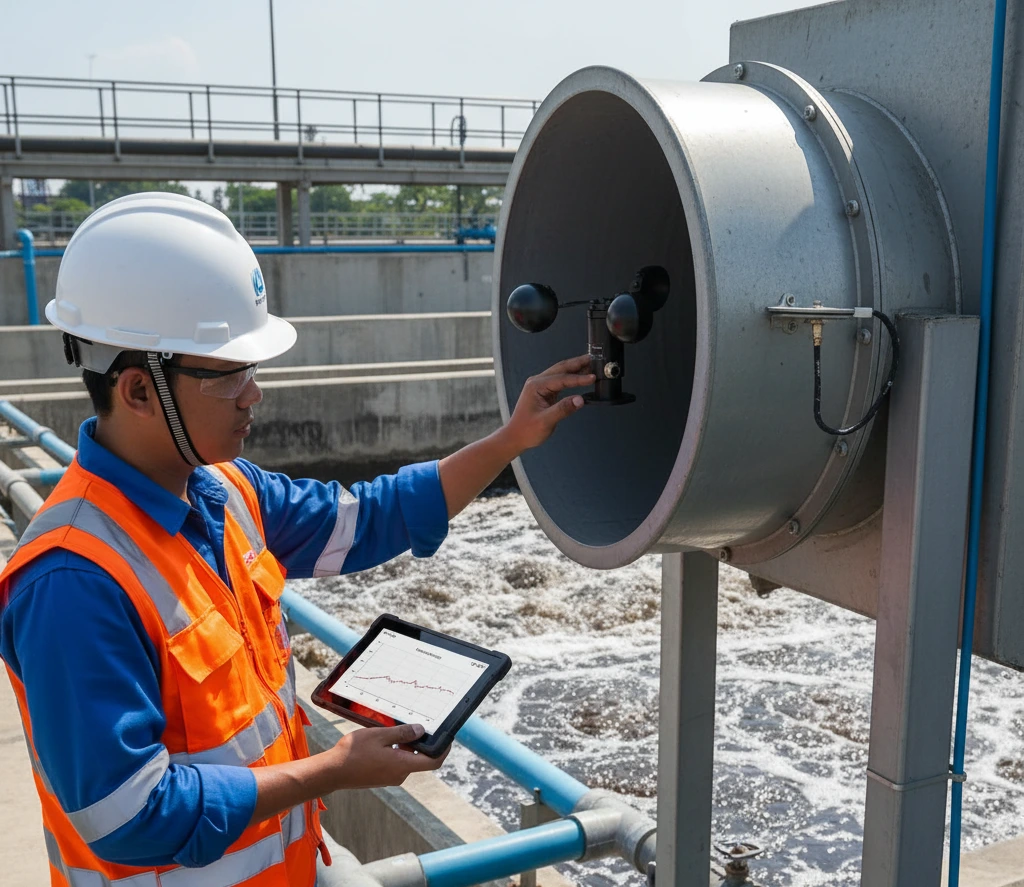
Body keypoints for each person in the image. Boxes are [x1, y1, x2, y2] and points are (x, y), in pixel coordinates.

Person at [0, 193, 594, 886]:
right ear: (137, 390)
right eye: (230, 375)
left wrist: (511, 440)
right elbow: (130, 813)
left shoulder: (228, 493)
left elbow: (371, 518)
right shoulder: (72, 579)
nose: (255, 393)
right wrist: (334, 770)